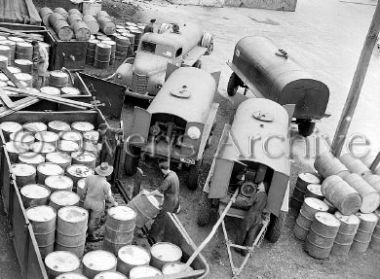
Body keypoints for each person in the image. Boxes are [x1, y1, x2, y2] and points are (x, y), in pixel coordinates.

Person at [82, 162, 118, 242]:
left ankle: (83, 232)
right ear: (107, 174)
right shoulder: (106, 184)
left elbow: (84, 190)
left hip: (87, 201)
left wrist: (84, 197)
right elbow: (109, 197)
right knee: (92, 220)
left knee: (86, 217)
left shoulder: (89, 178)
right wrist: (114, 203)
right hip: (97, 204)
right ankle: (91, 236)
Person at [149, 161, 180, 239]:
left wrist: (148, 194)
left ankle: (151, 236)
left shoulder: (168, 179)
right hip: (175, 200)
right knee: (167, 217)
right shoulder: (174, 174)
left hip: (169, 202)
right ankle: (164, 232)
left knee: (159, 219)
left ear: (162, 169)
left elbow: (158, 191)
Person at [235, 182, 267, 255]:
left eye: (260, 185)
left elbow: (248, 203)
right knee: (251, 235)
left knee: (243, 231)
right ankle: (245, 252)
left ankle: (237, 248)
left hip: (251, 216)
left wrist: (237, 201)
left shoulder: (258, 194)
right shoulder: (265, 196)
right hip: (258, 217)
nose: (258, 185)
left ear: (264, 187)